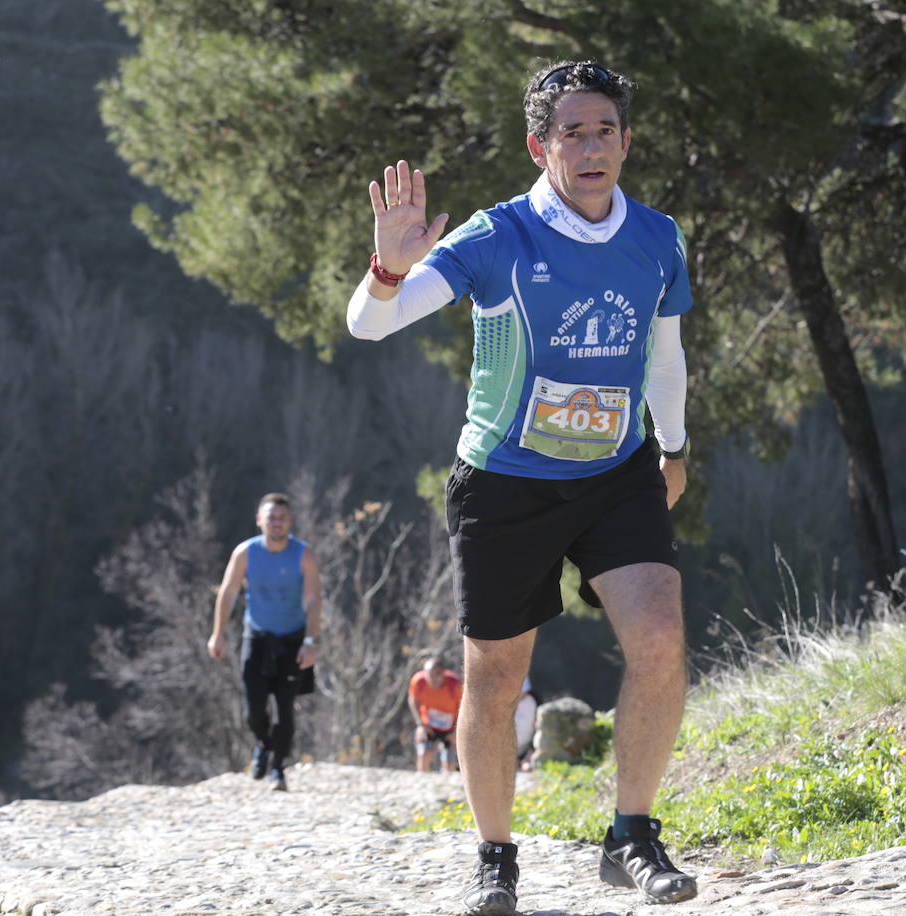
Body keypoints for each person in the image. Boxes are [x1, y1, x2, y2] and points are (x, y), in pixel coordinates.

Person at [346, 59, 696, 915]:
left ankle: (633, 836)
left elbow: (664, 354)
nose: (590, 146)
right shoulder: (495, 235)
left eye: (604, 130)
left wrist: (675, 448)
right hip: (505, 482)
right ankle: (495, 857)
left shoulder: (657, 237)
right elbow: (371, 324)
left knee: (658, 643)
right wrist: (388, 270)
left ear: (625, 141)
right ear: (539, 147)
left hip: (618, 473)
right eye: (571, 132)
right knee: (496, 680)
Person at [208, 492, 322, 793]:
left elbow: (312, 599)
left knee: (285, 708)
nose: (277, 522)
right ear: (259, 520)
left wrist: (310, 641)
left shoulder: (303, 554)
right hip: (256, 638)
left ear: (290, 521)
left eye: (282, 517)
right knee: (253, 709)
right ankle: (263, 743)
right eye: (271, 516)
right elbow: (228, 592)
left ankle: (278, 769)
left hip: (292, 639)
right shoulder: (245, 553)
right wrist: (217, 633)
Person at [408, 656, 463, 772]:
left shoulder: (455, 684)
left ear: (444, 673)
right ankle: (422, 782)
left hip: (449, 729)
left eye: (437, 674)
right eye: (430, 674)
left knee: (448, 764)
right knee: (423, 754)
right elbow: (413, 700)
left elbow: (464, 707)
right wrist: (420, 725)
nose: (433, 678)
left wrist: (456, 731)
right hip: (428, 726)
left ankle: (448, 783)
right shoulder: (419, 681)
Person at [514, 677, 538, 772]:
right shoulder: (507, 703)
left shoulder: (530, 702)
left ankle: (524, 760)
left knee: (527, 766)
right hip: (509, 746)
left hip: (525, 746)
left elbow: (534, 723)